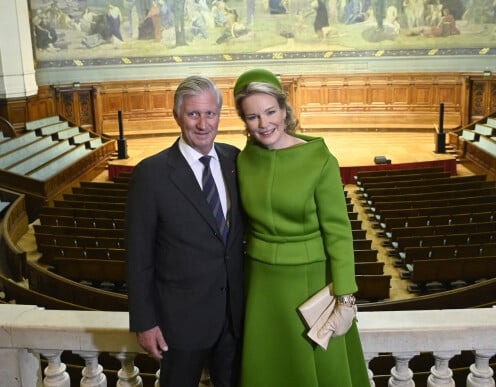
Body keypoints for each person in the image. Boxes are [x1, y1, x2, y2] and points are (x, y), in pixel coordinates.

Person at [233, 68, 371, 387]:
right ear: (244, 120)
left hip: (310, 283)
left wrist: (347, 299)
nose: (264, 123)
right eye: (253, 117)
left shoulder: (319, 159)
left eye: (270, 112)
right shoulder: (244, 159)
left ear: (285, 110)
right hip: (261, 284)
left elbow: (339, 233)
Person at [126, 75, 245, 387]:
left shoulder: (236, 159)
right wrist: (144, 322)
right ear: (177, 115)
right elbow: (139, 257)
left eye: (210, 113)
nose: (203, 124)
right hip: (179, 325)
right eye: (193, 114)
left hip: (235, 321)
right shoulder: (151, 174)